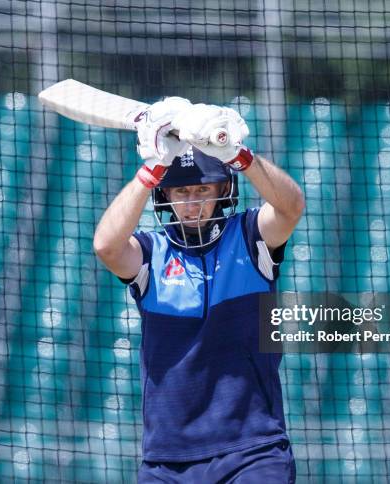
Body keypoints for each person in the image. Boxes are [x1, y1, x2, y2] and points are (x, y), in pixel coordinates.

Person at [93, 97, 305, 483]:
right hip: (167, 462)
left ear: (224, 189)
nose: (192, 204)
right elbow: (106, 247)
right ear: (165, 197)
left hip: (253, 452)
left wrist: (238, 155)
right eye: (181, 193)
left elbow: (291, 207)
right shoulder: (150, 253)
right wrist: (154, 167)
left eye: (202, 191)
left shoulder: (249, 236)